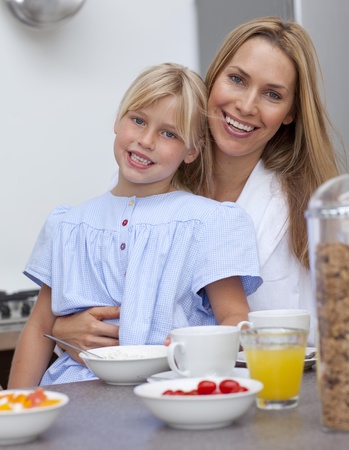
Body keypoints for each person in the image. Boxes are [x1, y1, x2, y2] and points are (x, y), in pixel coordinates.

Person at [51, 16, 343, 351]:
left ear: (291, 112)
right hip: (150, 392)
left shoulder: (309, 209)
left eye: (272, 95)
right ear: (213, 79)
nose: (246, 106)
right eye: (237, 79)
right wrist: (62, 329)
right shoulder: (145, 181)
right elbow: (109, 306)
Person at [8, 63, 262, 388]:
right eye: (138, 120)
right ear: (118, 120)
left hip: (172, 387)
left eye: (169, 133)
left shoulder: (210, 223)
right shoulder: (68, 226)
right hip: (75, 395)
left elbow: (234, 316)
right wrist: (16, 408)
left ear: (192, 150)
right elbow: (38, 328)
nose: (145, 140)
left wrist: (203, 345)